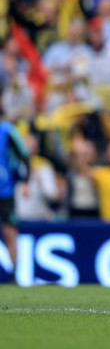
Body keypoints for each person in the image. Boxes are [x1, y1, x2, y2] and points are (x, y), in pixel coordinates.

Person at [0, 120, 30, 283]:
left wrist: (26, 180)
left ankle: (14, 274)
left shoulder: (7, 130)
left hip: (5, 191)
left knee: (10, 233)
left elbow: (24, 153)